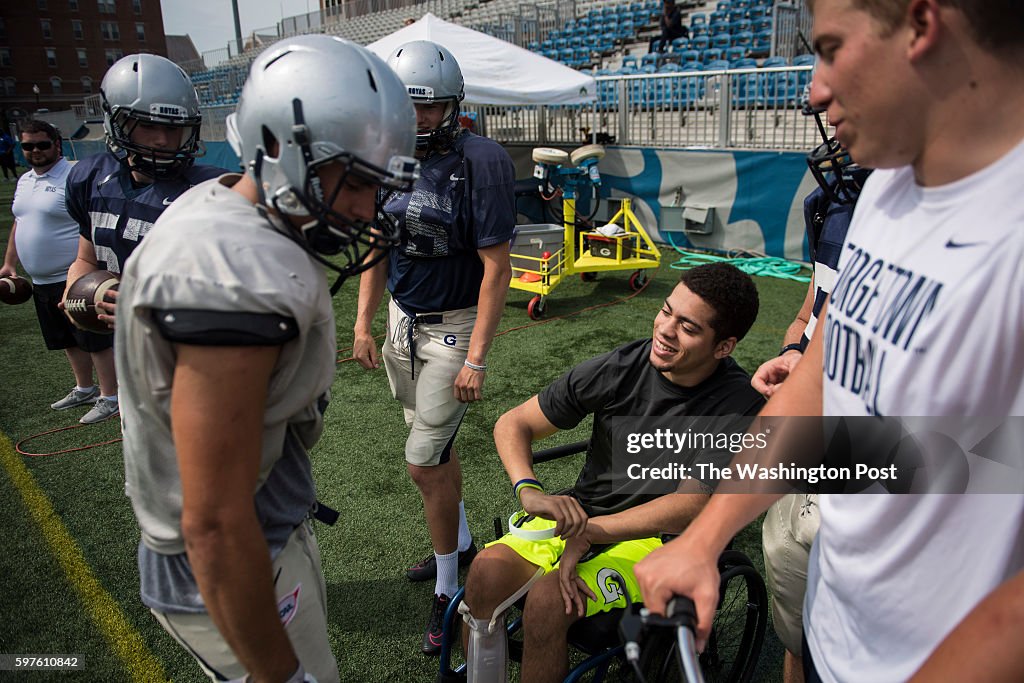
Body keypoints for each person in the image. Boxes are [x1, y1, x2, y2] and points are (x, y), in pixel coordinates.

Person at [635, 2, 1024, 682]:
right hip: (833, 635)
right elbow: (819, 381)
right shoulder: (886, 190)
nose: (814, 88)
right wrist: (704, 535)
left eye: (831, 47)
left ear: (921, 25)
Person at [116, 35, 417, 683]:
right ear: (276, 145)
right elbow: (217, 523)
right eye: (356, 180)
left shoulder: (225, 204)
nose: (368, 209)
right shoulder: (236, 272)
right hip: (227, 563)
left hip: (267, 530)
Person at [462, 263, 764, 683]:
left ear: (723, 346)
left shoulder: (740, 404)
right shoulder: (626, 364)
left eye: (688, 327)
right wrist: (528, 490)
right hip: (586, 516)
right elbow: (513, 424)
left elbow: (692, 504)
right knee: (483, 572)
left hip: (660, 542)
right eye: (665, 310)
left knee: (551, 599)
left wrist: (593, 531)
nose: (665, 329)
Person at [352, 40, 515, 656]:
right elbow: (376, 245)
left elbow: (496, 266)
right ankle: (463, 540)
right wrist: (364, 323)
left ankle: (451, 586)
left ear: (453, 106)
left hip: (453, 324)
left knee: (422, 461)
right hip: (401, 319)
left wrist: (477, 354)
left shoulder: (481, 159)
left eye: (431, 107)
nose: (419, 119)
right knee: (431, 441)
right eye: (409, 107)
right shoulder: (386, 156)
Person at [750, 103, 869, 683]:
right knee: (795, 632)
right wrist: (797, 350)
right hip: (808, 444)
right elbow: (810, 314)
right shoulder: (832, 204)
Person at [64, 53, 227, 424]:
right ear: (114, 121)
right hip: (133, 360)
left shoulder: (213, 189)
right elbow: (86, 259)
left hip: (196, 360)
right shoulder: (91, 179)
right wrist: (80, 291)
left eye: (174, 129)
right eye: (145, 125)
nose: (163, 140)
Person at [0, 120, 117, 418]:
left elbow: (93, 221)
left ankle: (111, 396)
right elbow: (20, 222)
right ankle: (84, 388)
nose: (35, 151)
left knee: (93, 337)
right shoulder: (25, 180)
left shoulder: (74, 175)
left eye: (42, 144)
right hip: (40, 278)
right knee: (64, 337)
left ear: (57, 144)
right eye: (28, 146)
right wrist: (10, 262)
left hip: (75, 275)